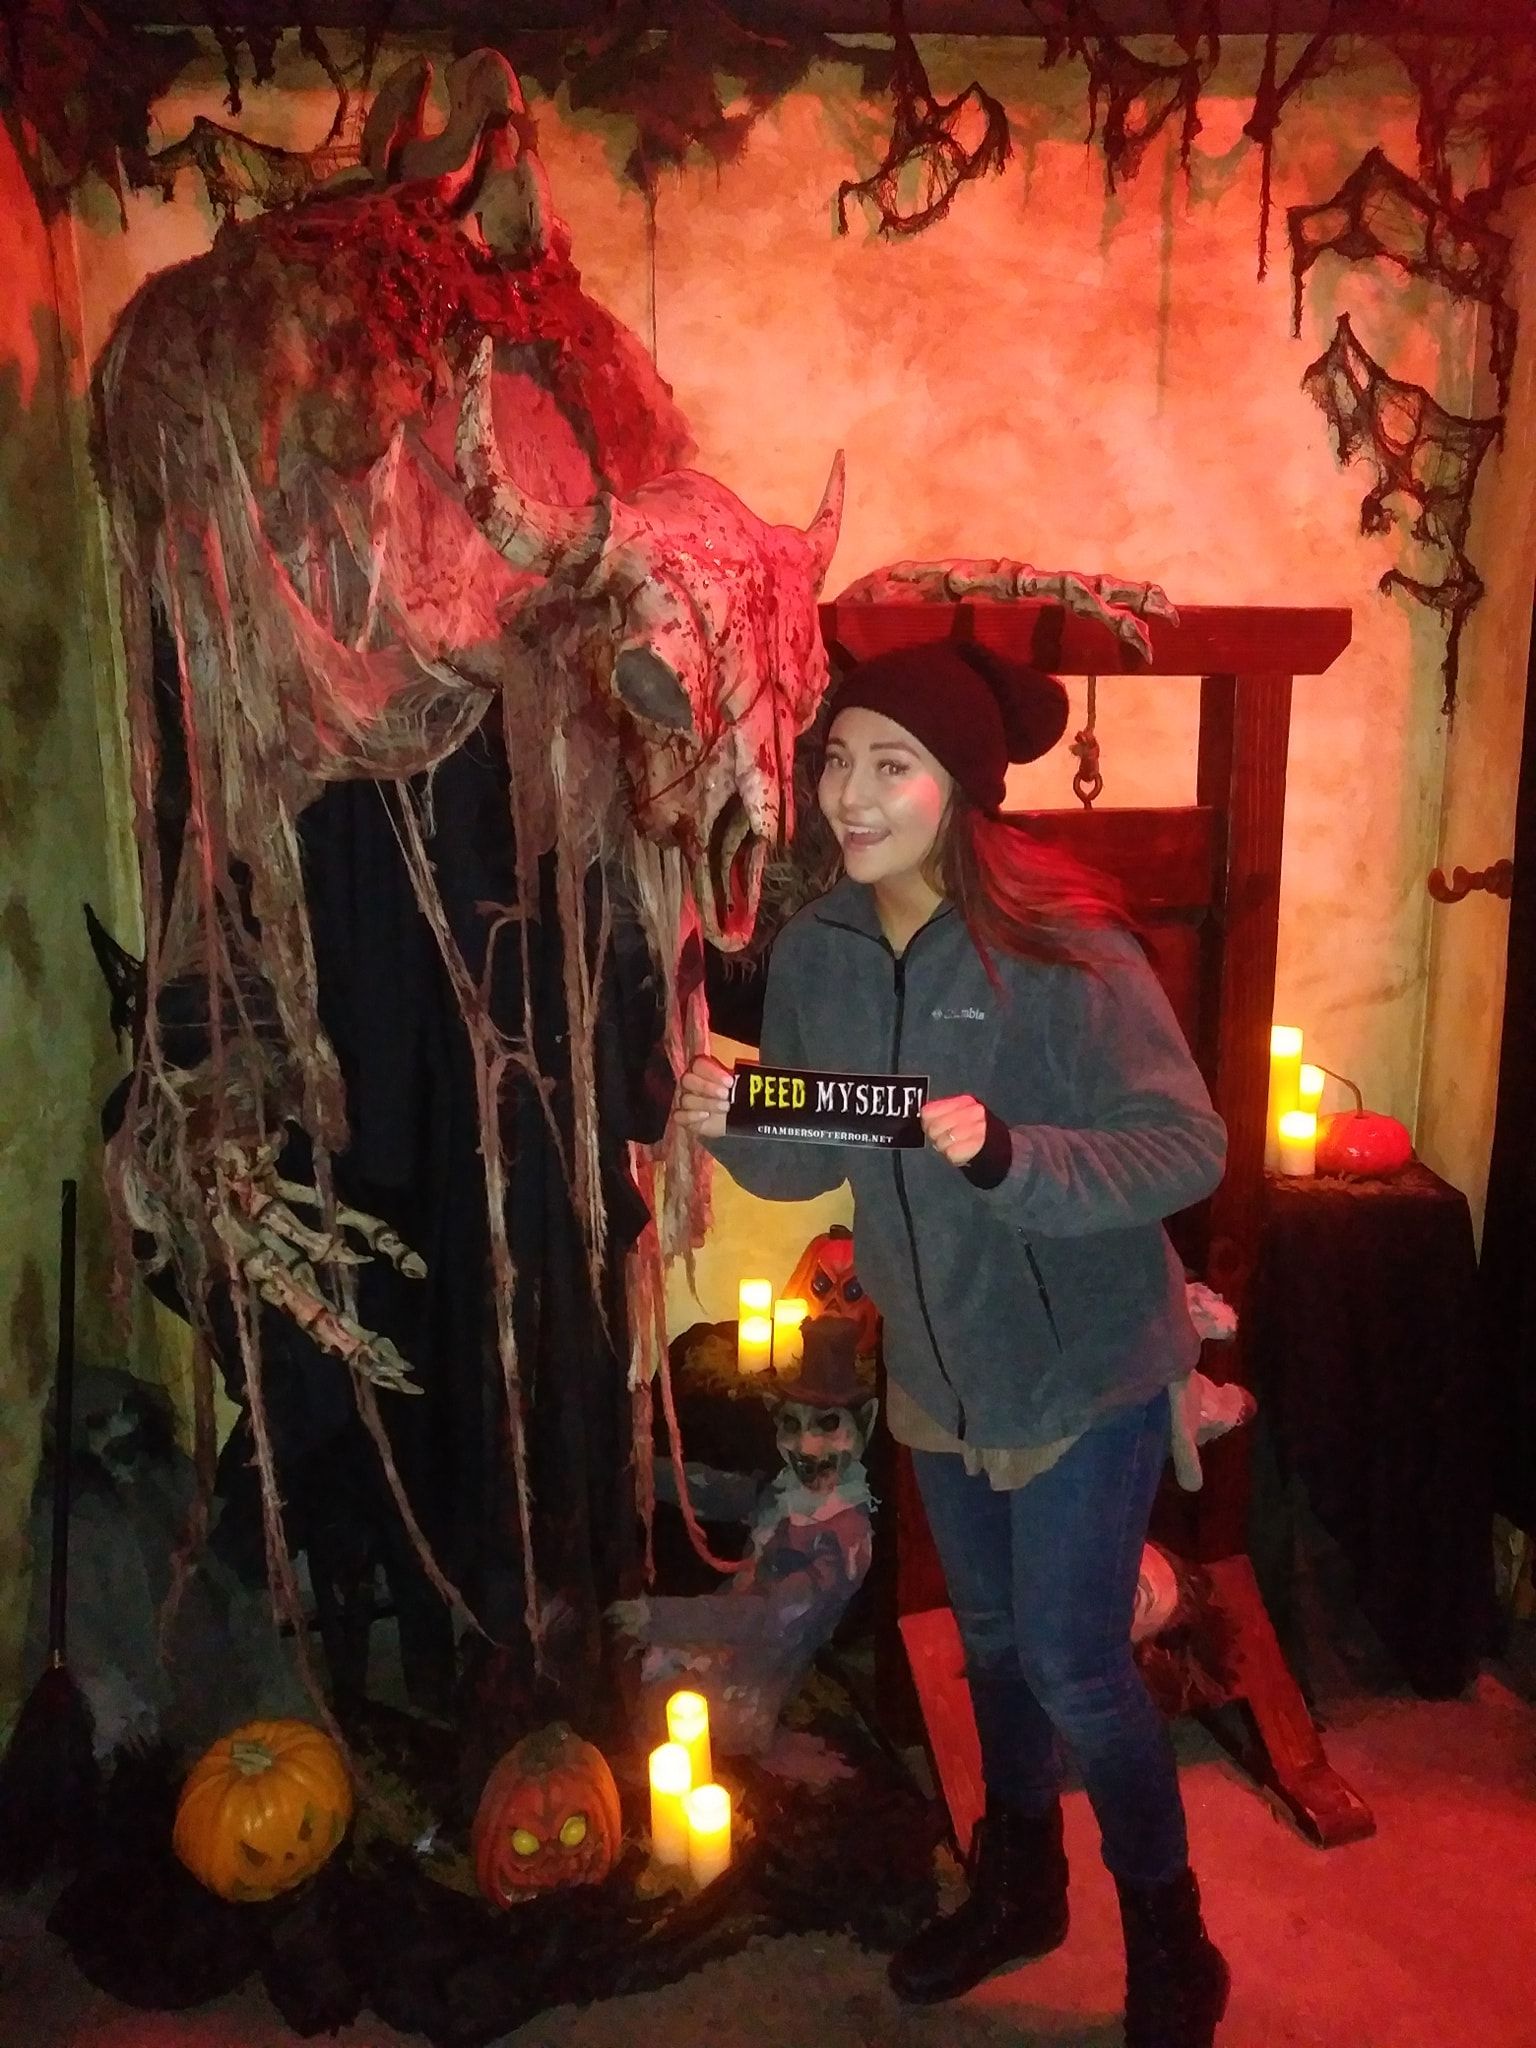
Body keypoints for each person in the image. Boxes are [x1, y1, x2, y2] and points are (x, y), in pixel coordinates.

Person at [673, 641, 1230, 2048]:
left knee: (1072, 1660)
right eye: (835, 763)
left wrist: (1015, 1158)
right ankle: (1020, 1885)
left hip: (1083, 1362)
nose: (847, 798)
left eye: (889, 766)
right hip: (935, 1366)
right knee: (986, 1646)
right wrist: (736, 1123)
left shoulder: (1067, 953)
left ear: (963, 791)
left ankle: (1173, 1932)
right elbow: (818, 1166)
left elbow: (1187, 1145)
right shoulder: (818, 952)